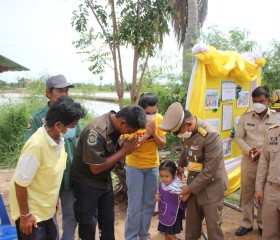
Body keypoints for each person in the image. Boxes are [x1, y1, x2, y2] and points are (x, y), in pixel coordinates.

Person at [9, 96, 86, 240]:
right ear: (58, 124)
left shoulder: (59, 141)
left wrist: (52, 200)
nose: (74, 129)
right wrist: (25, 215)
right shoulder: (36, 146)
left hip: (47, 209)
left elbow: (50, 175)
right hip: (32, 214)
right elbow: (19, 182)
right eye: (73, 126)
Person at [70, 105, 146, 240]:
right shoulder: (96, 131)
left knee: (107, 222)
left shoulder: (116, 125)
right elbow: (96, 168)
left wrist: (123, 149)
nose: (127, 133)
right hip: (87, 184)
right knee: (88, 224)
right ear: (123, 122)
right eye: (129, 130)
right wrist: (123, 151)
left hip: (104, 181)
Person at [159, 102, 229, 240]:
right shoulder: (187, 131)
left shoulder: (211, 136)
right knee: (191, 228)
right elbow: (187, 149)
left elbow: (210, 171)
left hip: (211, 189)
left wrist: (189, 189)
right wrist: (180, 164)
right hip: (193, 184)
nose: (179, 136)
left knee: (213, 229)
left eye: (178, 132)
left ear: (189, 124)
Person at [24, 74, 82, 240]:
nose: (64, 95)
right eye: (60, 91)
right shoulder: (37, 118)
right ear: (48, 93)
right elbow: (30, 149)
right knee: (47, 214)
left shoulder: (73, 115)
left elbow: (78, 143)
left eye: (66, 91)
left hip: (69, 174)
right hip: (46, 178)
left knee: (71, 213)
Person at [235, 86, 276, 236]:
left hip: (268, 163)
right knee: (247, 193)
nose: (258, 104)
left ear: (268, 101)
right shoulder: (245, 117)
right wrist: (249, 150)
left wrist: (262, 151)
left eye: (261, 101)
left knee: (264, 193)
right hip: (249, 161)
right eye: (255, 101)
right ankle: (246, 222)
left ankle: (262, 223)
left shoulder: (276, 118)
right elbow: (238, 137)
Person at [124, 93, 166, 240]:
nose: (151, 116)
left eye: (154, 112)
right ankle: (130, 236)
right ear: (141, 110)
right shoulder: (132, 121)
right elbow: (129, 148)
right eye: (147, 113)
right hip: (134, 167)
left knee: (149, 202)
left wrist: (154, 133)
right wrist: (146, 134)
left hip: (152, 167)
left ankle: (144, 233)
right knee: (134, 203)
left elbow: (162, 144)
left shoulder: (159, 119)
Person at [255, 120, 280, 240]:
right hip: (272, 189)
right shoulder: (272, 133)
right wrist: (259, 189)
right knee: (269, 231)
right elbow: (263, 163)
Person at [155, 160, 186, 240]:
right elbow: (158, 193)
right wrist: (156, 196)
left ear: (174, 175)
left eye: (167, 176)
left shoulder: (176, 185)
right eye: (161, 176)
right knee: (166, 234)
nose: (164, 179)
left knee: (171, 235)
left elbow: (185, 195)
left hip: (173, 215)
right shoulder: (161, 184)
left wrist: (182, 201)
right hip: (164, 215)